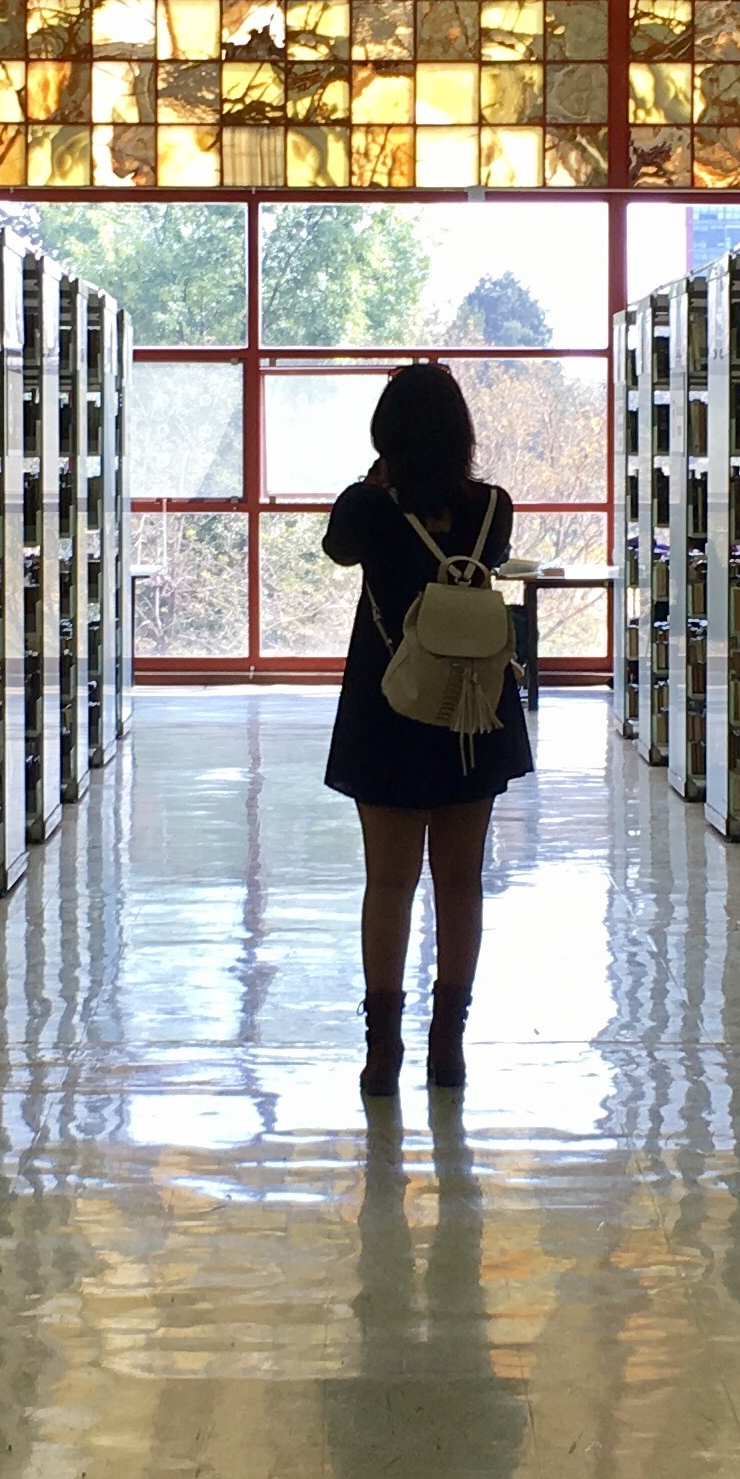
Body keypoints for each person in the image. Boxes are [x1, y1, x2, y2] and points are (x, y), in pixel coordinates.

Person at [322, 360, 533, 1096]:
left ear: (387, 433)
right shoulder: (492, 506)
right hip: (473, 711)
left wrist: (381, 475)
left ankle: (383, 1052)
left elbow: (338, 549)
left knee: (389, 881)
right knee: (460, 881)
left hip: (388, 707)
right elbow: (494, 560)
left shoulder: (365, 507)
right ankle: (450, 1047)